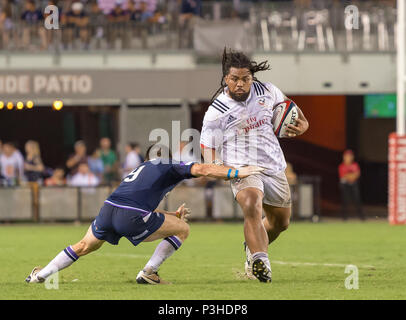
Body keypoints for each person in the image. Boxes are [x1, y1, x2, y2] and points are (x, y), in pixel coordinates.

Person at [25, 144, 263, 285]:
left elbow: (134, 201)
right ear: (166, 156)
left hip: (109, 209)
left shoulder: (139, 168)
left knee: (84, 245)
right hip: (131, 216)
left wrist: (170, 213)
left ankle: (40, 276)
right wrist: (236, 172)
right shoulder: (169, 165)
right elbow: (202, 169)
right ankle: (149, 273)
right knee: (183, 229)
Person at [200, 48, 309, 283]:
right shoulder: (216, 111)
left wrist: (304, 124)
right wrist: (214, 166)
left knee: (281, 223)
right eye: (234, 79)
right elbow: (206, 146)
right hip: (243, 168)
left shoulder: (268, 91)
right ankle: (260, 261)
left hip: (273, 166)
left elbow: (293, 110)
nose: (240, 84)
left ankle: (252, 245)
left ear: (252, 78)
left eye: (245, 79)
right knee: (252, 203)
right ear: (226, 79)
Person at [338, 149, 364, 220]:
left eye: (350, 156)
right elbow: (343, 176)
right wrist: (351, 175)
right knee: (345, 201)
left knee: (357, 200)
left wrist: (350, 176)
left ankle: (361, 217)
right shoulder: (342, 166)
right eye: (347, 156)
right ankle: (344, 217)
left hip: (354, 184)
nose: (348, 158)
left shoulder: (355, 165)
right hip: (345, 185)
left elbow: (357, 174)